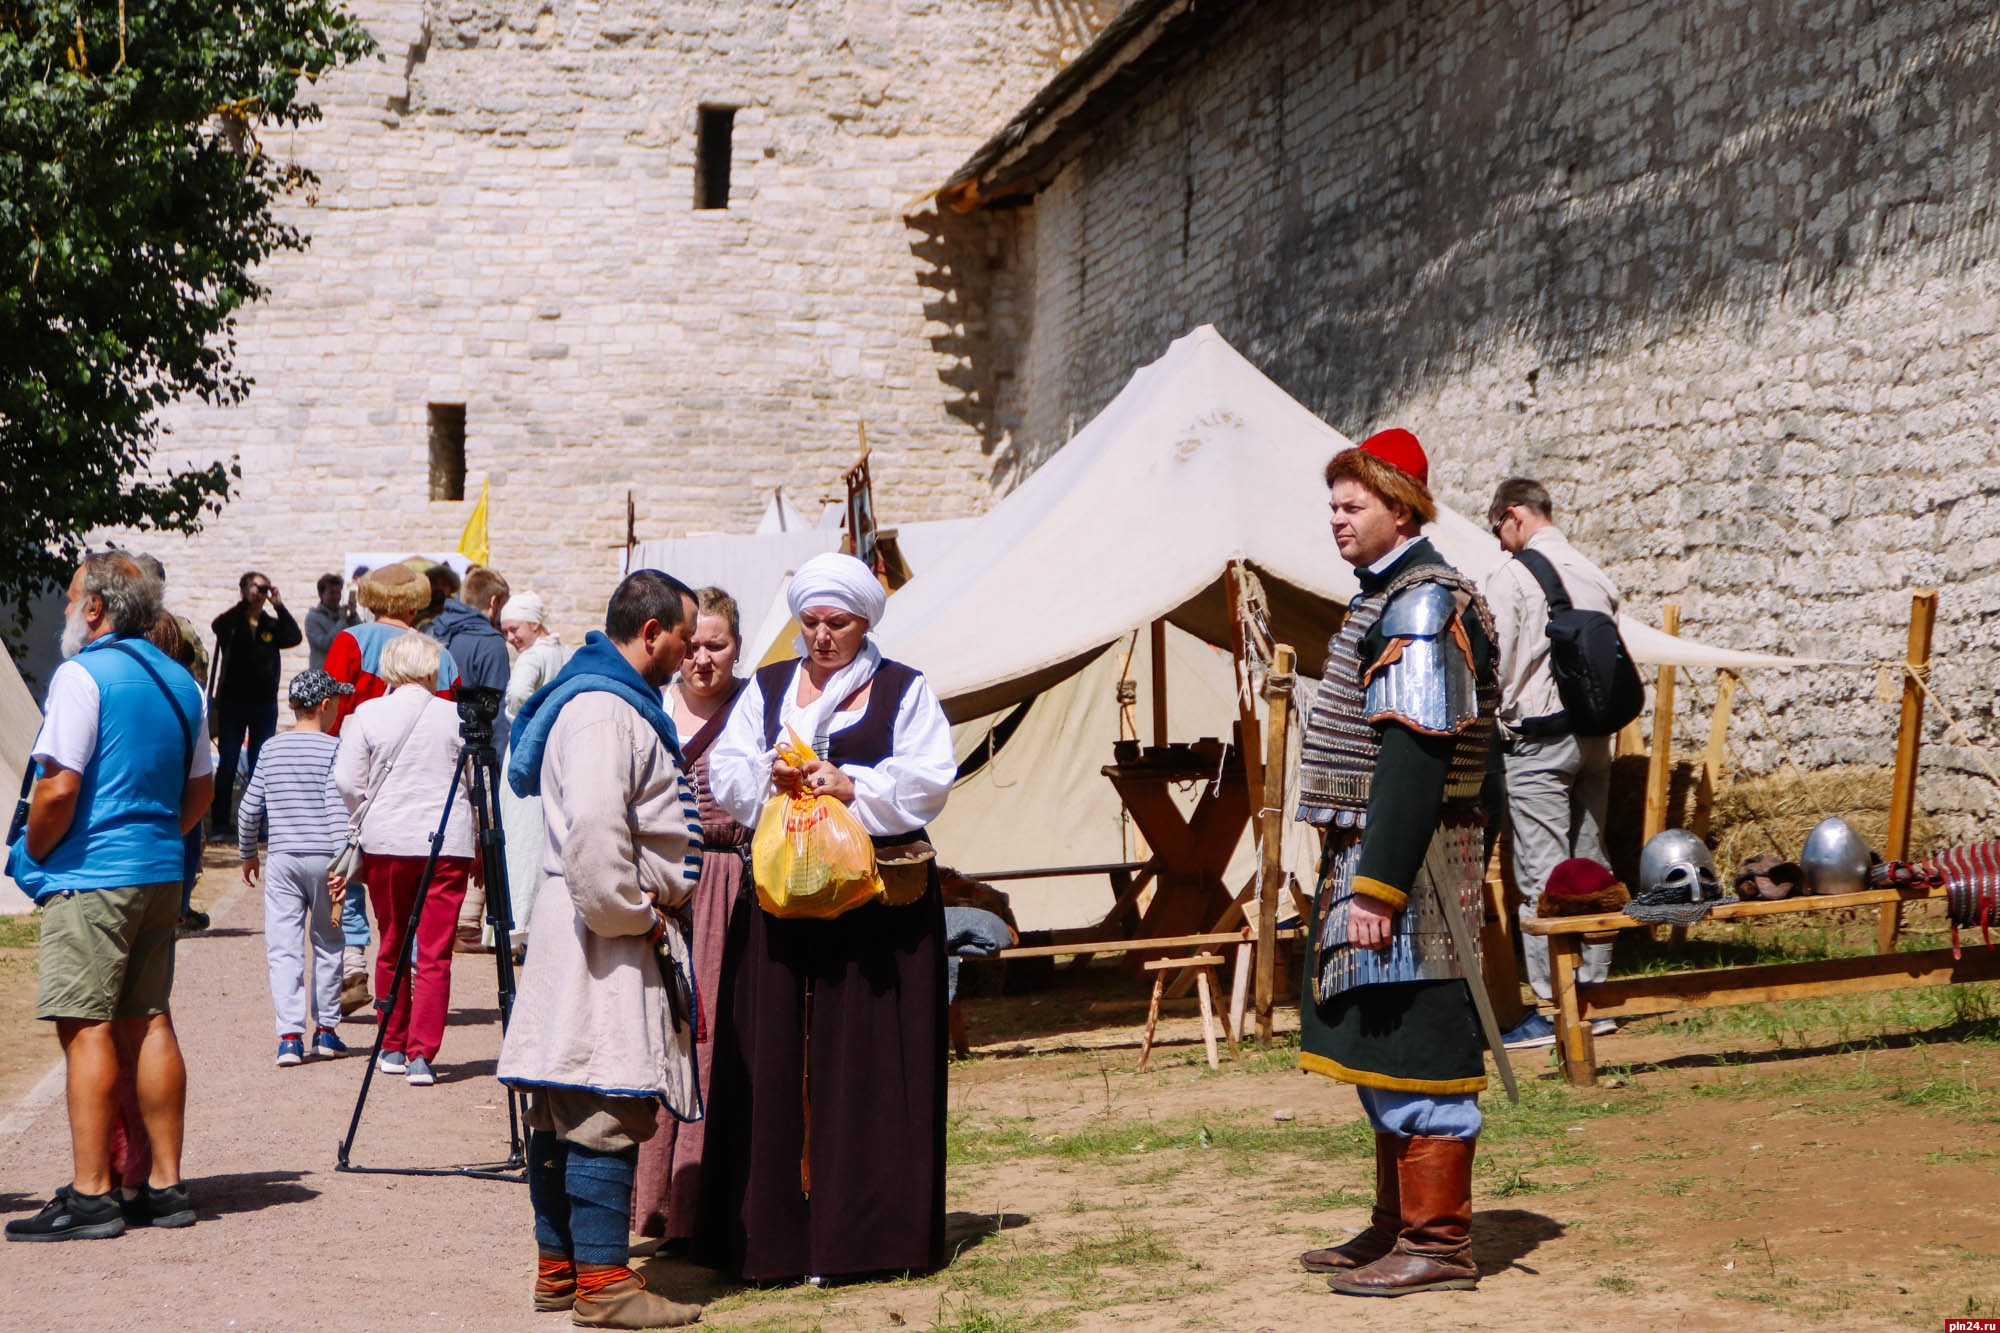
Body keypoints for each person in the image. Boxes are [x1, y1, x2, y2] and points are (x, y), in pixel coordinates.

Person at [698, 552, 956, 1284]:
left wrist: (853, 785)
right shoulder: (768, 687)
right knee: (770, 1053)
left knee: (865, 1061)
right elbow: (729, 768)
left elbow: (932, 773)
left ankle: (866, 1233)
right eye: (809, 621)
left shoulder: (904, 688)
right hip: (781, 896)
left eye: (836, 621)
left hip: (875, 910)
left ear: (864, 619)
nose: (820, 635)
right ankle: (769, 1237)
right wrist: (770, 783)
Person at [1291, 430, 1499, 1298]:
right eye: (1332, 505)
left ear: (1401, 507)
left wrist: (1377, 883)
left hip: (1415, 869)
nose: (1336, 519)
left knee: (1417, 1038)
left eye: (1353, 505)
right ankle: (1396, 1226)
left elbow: (1415, 756)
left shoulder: (1421, 605)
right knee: (1379, 1036)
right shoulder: (1382, 598)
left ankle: (1440, 1242)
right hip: (1378, 854)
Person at [496, 570, 704, 1330]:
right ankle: (603, 1283)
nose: (687, 653)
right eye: (683, 636)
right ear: (651, 632)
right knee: (602, 1099)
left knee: (567, 1097)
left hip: (590, 924)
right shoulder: (602, 712)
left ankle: (563, 1271)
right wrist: (637, 917)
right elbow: (592, 833)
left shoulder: (602, 704)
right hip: (601, 931)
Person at [3, 553, 211, 1241]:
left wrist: (33, 852)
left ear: (97, 606)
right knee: (149, 1017)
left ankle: (93, 1192)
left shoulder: (81, 674)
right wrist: (154, 835)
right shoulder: (182, 681)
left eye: (70, 600)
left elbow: (58, 785)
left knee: (84, 1023)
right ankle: (166, 1182)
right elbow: (201, 790)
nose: (66, 611)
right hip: (158, 871)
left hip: (94, 875)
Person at [1480, 477, 1624, 1050]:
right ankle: (1597, 995)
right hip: (1594, 735)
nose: (1498, 541)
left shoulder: (1514, 576)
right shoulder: (1594, 572)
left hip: (1538, 740)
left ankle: (1553, 1004)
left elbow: (1498, 664)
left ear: (1514, 515)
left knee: (1542, 873)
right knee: (1591, 862)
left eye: (1497, 527)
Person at [631, 586, 748, 1247]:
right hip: (660, 889)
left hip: (730, 885)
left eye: (718, 644)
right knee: (656, 1039)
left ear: (737, 647)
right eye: (695, 644)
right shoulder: (649, 708)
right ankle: (652, 1203)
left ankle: (704, 1206)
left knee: (714, 1043)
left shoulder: (753, 710)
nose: (703, 658)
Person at [331, 632, 473, 1088]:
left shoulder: (367, 714)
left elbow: (348, 780)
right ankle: (422, 1054)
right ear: (433, 669)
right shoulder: (457, 716)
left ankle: (391, 1042)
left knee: (391, 942)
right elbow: (472, 781)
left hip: (388, 839)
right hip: (445, 841)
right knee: (434, 953)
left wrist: (370, 809)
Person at [322, 563, 461, 1010]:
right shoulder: (439, 653)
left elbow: (331, 709)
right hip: (422, 780)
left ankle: (356, 961)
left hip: (359, 765)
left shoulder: (350, 642)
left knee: (353, 863)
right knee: (416, 887)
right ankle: (415, 971)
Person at [238, 668, 353, 1066]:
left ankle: (289, 1036)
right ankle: (326, 1030)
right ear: (325, 706)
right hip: (325, 858)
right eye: (337, 701)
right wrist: (343, 861)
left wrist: (247, 851)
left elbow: (250, 808)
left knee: (283, 946)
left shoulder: (270, 749)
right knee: (328, 941)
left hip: (283, 859)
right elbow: (336, 807)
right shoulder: (335, 748)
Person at [429, 565, 511, 948]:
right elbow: (493, 709)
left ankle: (449, 917)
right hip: (477, 750)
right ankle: (471, 919)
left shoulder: (436, 632)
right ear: (493, 602)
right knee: (483, 828)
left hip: (435, 745)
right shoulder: (490, 642)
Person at [134, 560, 212, 933]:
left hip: (138, 737)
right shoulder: (175, 627)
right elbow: (200, 672)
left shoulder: (124, 629)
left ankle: (172, 903)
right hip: (178, 732)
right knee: (188, 819)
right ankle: (177, 904)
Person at [208, 570, 302, 841]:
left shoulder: (271, 625)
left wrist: (279, 605)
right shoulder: (233, 622)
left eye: (264, 588)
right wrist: (244, 605)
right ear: (244, 590)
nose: (260, 592)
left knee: (261, 764)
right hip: (233, 703)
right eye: (256, 588)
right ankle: (220, 825)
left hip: (264, 704)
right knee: (227, 764)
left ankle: (259, 825)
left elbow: (294, 636)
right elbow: (217, 626)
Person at [498, 591, 567, 950]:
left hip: (527, 747)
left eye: (514, 629)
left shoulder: (533, 657)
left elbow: (516, 694)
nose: (510, 638)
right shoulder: (562, 652)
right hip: (554, 752)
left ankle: (519, 924)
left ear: (534, 624)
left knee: (522, 837)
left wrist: (527, 719)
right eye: (506, 631)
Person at [305, 573, 358, 672]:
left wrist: (353, 614)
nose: (336, 597)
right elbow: (326, 644)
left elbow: (359, 638)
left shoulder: (344, 614)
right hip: (322, 675)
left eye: (338, 593)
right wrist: (341, 621)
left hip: (344, 674)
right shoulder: (312, 618)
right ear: (321, 594)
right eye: (331, 593)